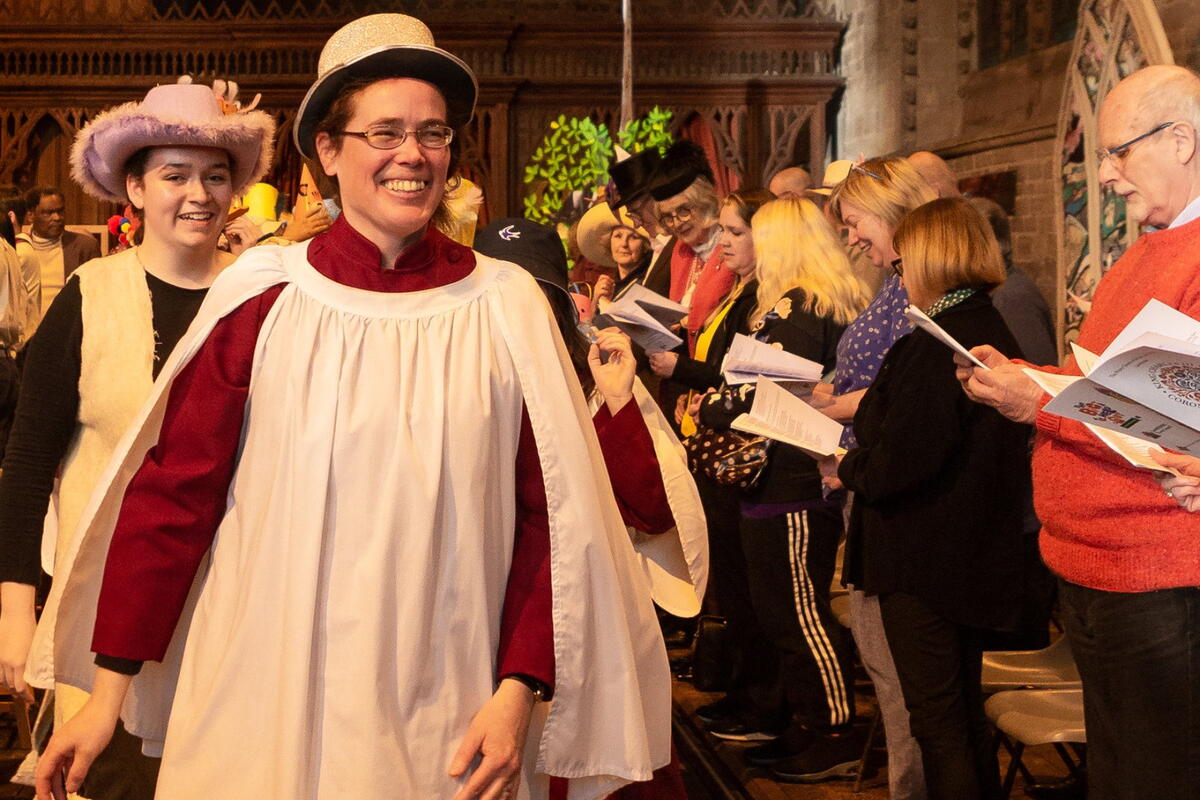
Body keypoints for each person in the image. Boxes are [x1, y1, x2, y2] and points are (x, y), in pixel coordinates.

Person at [33, 15, 670, 800]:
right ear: (328, 152)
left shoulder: (505, 306)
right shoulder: (262, 296)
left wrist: (517, 692)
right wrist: (107, 698)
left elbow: (554, 522)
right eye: (386, 132)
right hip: (264, 690)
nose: (412, 154)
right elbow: (174, 496)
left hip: (451, 699)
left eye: (432, 133)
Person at [0, 80, 275, 800]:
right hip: (99, 621)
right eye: (174, 175)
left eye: (216, 175)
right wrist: (14, 613)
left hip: (229, 621)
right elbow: (27, 468)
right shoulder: (89, 295)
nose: (198, 195)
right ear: (134, 187)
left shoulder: (260, 300)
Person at [954, 65, 1200, 800]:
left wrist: (1041, 404)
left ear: (1183, 139)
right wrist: (1029, 376)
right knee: (1121, 774)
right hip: (1095, 564)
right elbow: (1103, 381)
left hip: (1160, 573)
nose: (1107, 174)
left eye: (1120, 151)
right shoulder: (1148, 248)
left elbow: (1171, 421)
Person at [474, 216, 707, 800]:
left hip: (584, 614)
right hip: (480, 611)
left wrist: (622, 399)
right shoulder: (458, 378)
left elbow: (651, 512)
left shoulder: (593, 384)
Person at [834, 197, 1029, 800]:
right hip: (955, 554)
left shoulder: (943, 339)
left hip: (926, 559)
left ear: (935, 256)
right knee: (959, 717)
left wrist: (848, 466)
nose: (899, 274)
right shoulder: (970, 323)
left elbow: (905, 460)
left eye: (906, 261)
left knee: (939, 723)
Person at [697, 197, 867, 783]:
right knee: (781, 611)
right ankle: (807, 722)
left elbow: (763, 391)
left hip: (794, 477)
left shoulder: (802, 307)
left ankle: (834, 730)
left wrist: (719, 403)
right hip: (779, 475)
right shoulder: (799, 304)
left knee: (798, 614)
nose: (744, 248)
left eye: (755, 236)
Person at [813, 155, 936, 800]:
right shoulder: (893, 283)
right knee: (883, 665)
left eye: (856, 221)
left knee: (900, 678)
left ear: (894, 214)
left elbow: (914, 391)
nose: (851, 236)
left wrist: (838, 404)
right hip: (862, 478)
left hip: (890, 491)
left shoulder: (921, 287)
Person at [15, 187, 101, 320]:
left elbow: (97, 296)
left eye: (60, 211)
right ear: (30, 215)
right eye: (48, 213)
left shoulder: (85, 247)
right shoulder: (18, 249)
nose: (57, 218)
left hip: (68, 331)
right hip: (28, 331)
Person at [577, 203, 652, 307]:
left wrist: (606, 304)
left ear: (645, 246)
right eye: (618, 236)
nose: (624, 244)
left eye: (633, 237)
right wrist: (596, 300)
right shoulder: (610, 285)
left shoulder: (650, 282)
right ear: (609, 243)